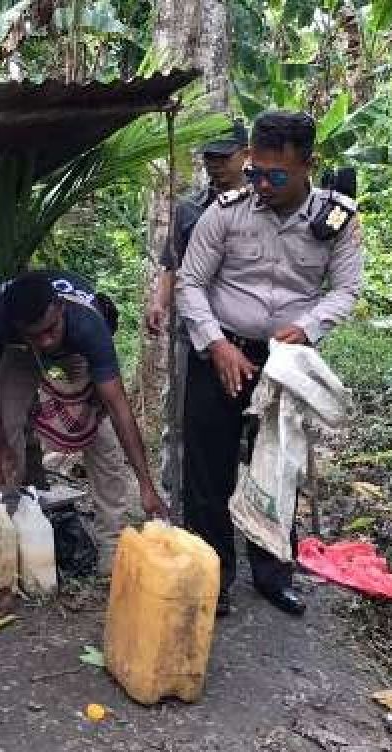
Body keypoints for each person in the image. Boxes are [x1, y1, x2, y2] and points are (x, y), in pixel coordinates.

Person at [175, 110, 363, 617]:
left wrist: (309, 326)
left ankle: (273, 574)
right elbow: (190, 283)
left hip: (286, 363)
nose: (261, 183)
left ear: (309, 166)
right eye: (255, 171)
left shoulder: (336, 218)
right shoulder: (227, 210)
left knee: (277, 467)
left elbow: (346, 288)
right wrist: (216, 345)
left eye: (275, 175)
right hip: (220, 352)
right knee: (208, 469)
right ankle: (212, 576)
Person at [0, 269, 168, 573]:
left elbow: (118, 407)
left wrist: (146, 484)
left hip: (76, 348)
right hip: (19, 351)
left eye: (51, 329)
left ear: (61, 310)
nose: (47, 341)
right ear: (18, 327)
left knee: (102, 433)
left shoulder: (87, 324)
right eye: (38, 334)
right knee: (5, 429)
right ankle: (3, 542)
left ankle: (112, 543)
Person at [148, 120, 250, 523]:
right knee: (184, 417)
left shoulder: (263, 207)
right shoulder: (190, 209)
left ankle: (242, 505)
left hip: (247, 331)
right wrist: (160, 302)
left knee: (247, 425)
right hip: (195, 333)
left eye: (224, 157)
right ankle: (184, 499)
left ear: (245, 155)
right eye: (210, 158)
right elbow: (171, 263)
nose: (216, 165)